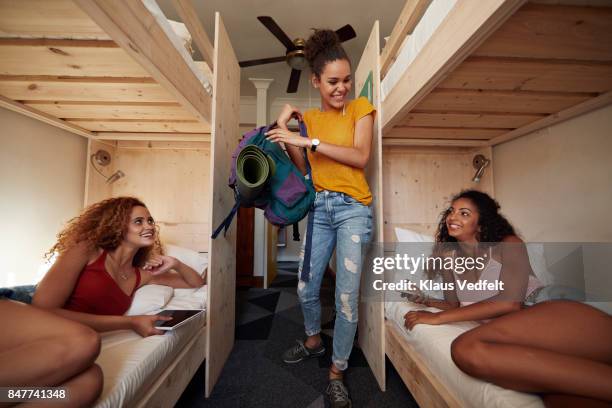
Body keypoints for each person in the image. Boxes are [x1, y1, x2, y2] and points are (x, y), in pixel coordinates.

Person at [403, 190, 612, 406]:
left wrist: (437, 319)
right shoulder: (449, 258)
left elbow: (509, 303)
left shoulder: (508, 245)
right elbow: (453, 305)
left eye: (464, 213)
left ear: (481, 222)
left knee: (466, 348)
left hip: (550, 309)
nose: (453, 217)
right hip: (523, 334)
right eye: (452, 211)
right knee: (560, 400)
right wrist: (425, 300)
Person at [265, 28, 375, 407]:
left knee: (345, 296)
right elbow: (306, 171)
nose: (341, 88)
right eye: (332, 81)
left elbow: (360, 157)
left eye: (346, 80)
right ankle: (313, 340)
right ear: (316, 81)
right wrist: (286, 127)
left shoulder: (361, 108)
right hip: (320, 209)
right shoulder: (309, 117)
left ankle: (337, 370)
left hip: (352, 210)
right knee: (305, 287)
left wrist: (307, 140)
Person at [33, 197, 205, 337]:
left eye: (150, 221)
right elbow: (42, 310)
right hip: (44, 330)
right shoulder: (86, 250)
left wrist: (177, 263)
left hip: (81, 339)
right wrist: (130, 322)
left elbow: (195, 283)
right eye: (138, 222)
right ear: (117, 226)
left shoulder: (141, 275)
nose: (149, 226)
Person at [0, 300, 102, 407]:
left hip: (7, 394)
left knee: (86, 382)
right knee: (82, 342)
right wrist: (121, 322)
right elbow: (45, 303)